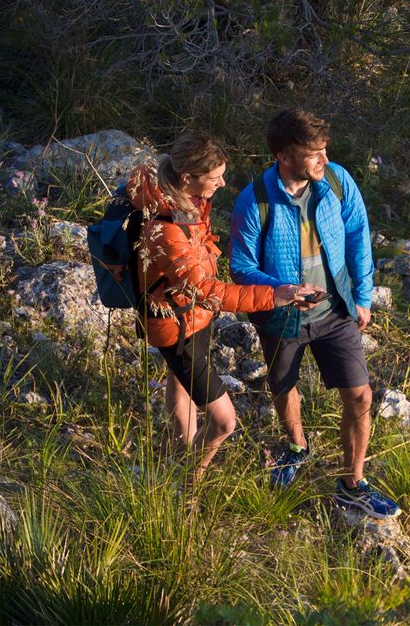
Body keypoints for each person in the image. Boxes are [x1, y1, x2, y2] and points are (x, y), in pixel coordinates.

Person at [230, 110, 401, 519]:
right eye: (313, 152)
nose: (324, 158)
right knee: (283, 386)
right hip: (282, 317)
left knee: (360, 395)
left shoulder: (337, 181)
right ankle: (295, 448)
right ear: (284, 156)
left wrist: (362, 297)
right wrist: (282, 291)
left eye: (325, 149)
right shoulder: (253, 200)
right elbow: (240, 266)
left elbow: (359, 234)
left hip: (336, 308)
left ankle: (352, 484)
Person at [128, 132, 311, 484]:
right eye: (215, 178)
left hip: (188, 316)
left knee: (180, 383)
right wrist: (276, 295)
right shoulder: (167, 226)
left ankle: (181, 451)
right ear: (188, 178)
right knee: (225, 420)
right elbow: (205, 291)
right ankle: (189, 481)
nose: (223, 183)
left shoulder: (179, 199)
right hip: (175, 324)